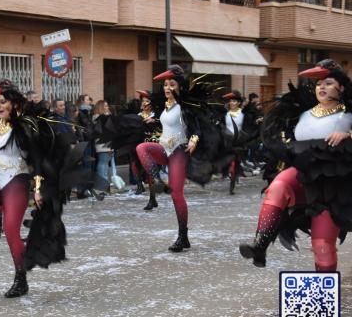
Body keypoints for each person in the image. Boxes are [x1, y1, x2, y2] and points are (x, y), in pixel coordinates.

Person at [0, 80, 89, 298]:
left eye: (3, 102)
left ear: (13, 104)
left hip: (16, 181)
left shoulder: (24, 126)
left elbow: (38, 159)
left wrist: (39, 188)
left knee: (11, 233)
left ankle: (21, 279)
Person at [240, 60, 352, 271]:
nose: (322, 87)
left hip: (333, 187)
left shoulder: (347, 115)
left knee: (322, 245)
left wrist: (348, 134)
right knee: (278, 186)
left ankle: (324, 293)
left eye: (328, 83)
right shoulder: (302, 114)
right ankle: (260, 245)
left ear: (342, 88)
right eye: (319, 84)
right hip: (303, 173)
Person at [135, 65, 226, 252]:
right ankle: (158, 181)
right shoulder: (165, 105)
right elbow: (167, 124)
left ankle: (183, 237)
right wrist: (154, 121)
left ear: (179, 86)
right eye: (165, 84)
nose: (167, 88)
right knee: (142, 148)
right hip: (164, 148)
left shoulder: (186, 106)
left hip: (179, 150)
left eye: (172, 84)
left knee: (177, 194)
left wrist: (193, 140)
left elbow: (196, 128)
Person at [92, 100, 113, 186]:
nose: (107, 107)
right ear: (101, 107)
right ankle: (102, 183)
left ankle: (104, 182)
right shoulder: (99, 117)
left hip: (106, 143)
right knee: (102, 163)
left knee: (104, 163)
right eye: (105, 106)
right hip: (103, 143)